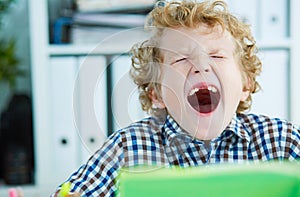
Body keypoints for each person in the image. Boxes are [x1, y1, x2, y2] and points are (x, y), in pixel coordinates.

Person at [51, 0, 300, 196]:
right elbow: (73, 192)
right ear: (156, 93)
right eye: (180, 59)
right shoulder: (127, 148)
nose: (201, 66)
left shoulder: (282, 141)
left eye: (217, 56)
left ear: (246, 84)